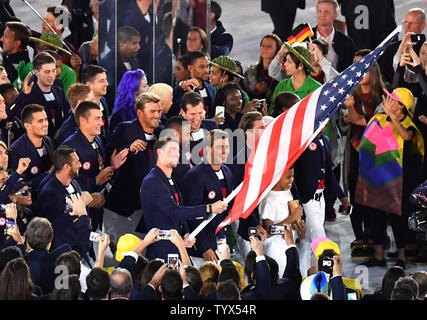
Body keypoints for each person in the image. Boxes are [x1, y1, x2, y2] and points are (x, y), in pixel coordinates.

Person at [357, 88, 424, 270]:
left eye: (392, 99)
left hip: (399, 182)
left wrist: (392, 117)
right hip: (377, 180)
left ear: (401, 106)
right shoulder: (378, 119)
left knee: (398, 220)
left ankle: (401, 256)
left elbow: (406, 136)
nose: (387, 100)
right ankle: (378, 256)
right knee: (376, 217)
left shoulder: (409, 124)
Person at [139, 136, 228, 261]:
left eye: (178, 150)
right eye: (172, 149)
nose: (177, 153)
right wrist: (209, 208)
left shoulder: (170, 180)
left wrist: (186, 233)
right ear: (160, 152)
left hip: (176, 249)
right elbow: (173, 212)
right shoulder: (152, 181)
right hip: (161, 252)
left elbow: (181, 209)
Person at [341, 49, 386, 257]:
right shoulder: (349, 93)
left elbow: (371, 124)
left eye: (363, 67)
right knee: (356, 195)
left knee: (375, 198)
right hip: (354, 151)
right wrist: (348, 115)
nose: (359, 72)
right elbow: (345, 123)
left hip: (377, 154)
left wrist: (353, 114)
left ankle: (376, 235)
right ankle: (360, 237)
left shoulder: (383, 95)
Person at [293, 123, 350, 276]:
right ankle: (328, 276)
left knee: (306, 242)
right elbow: (295, 173)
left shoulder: (324, 139)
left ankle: (305, 276)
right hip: (308, 199)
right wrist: (299, 201)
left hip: (321, 199)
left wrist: (342, 196)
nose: (324, 123)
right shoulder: (302, 142)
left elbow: (329, 172)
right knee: (320, 239)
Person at [62, 101, 128, 231]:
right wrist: (95, 181)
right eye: (97, 119)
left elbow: (99, 168)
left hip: (99, 208)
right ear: (83, 121)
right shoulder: (69, 148)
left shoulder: (97, 139)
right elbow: (65, 183)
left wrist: (112, 165)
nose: (102, 123)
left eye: (101, 118)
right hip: (80, 215)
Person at [104, 93, 161, 238]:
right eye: (152, 111)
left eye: (159, 111)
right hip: (125, 205)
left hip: (150, 205)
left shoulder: (162, 132)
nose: (157, 115)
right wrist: (129, 149)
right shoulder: (124, 129)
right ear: (140, 113)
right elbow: (110, 157)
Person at [182, 130, 234, 267]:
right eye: (219, 147)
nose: (224, 151)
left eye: (226, 147)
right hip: (204, 248)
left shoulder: (227, 171)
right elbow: (191, 214)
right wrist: (204, 247)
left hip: (222, 243)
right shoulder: (195, 175)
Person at [36, 146, 92, 257]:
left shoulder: (72, 181)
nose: (80, 165)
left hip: (77, 242)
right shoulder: (49, 192)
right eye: (77, 162)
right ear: (66, 166)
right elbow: (59, 220)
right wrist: (81, 204)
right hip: (62, 251)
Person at [228, 111, 268, 259]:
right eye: (260, 128)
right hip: (247, 224)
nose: (265, 131)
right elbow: (240, 200)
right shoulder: (239, 163)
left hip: (265, 218)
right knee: (253, 263)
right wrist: (255, 224)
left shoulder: (266, 156)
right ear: (248, 133)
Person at [8, 52, 72, 138]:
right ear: (36, 72)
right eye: (47, 72)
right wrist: (22, 95)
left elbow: (67, 112)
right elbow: (9, 114)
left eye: (53, 71)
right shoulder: (28, 94)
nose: (51, 75)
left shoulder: (58, 89)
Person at [258, 167, 304, 277]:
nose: (292, 180)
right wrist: (292, 218)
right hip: (275, 251)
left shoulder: (287, 192)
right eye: (288, 177)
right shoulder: (269, 199)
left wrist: (297, 226)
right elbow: (268, 231)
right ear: (276, 178)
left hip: (288, 246)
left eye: (293, 176)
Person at [393, 42, 427, 179]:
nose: (425, 57)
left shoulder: (420, 78)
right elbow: (396, 92)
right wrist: (400, 68)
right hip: (415, 139)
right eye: (423, 53)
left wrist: (418, 69)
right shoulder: (417, 80)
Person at [9, 104, 54, 202]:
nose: (45, 124)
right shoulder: (17, 150)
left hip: (50, 195)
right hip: (32, 201)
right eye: (40, 121)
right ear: (27, 126)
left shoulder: (48, 141)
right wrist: (49, 173)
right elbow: (21, 184)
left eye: (46, 119)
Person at [270, 44, 321, 113]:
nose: (285, 64)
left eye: (289, 62)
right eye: (286, 60)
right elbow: (271, 113)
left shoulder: (316, 88)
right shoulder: (281, 85)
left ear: (301, 66)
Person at [379, 8, 426, 84]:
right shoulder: (393, 48)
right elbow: (388, 74)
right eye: (406, 22)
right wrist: (402, 47)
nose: (407, 26)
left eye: (412, 23)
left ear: (423, 25)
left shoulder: (425, 48)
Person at [311, 0, 356, 73]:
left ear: (335, 15)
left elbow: (351, 72)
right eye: (319, 11)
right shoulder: (306, 37)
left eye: (327, 12)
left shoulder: (347, 43)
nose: (322, 15)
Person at [170, 51, 215, 118]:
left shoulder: (210, 89)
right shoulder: (183, 89)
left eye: (207, 66)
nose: (206, 70)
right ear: (190, 68)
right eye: (202, 67)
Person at [179, 92, 217, 165]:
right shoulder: (177, 133)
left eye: (200, 113)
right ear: (183, 112)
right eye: (193, 114)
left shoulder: (211, 125)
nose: (197, 118)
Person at [243, 34, 282, 103]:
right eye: (263, 46)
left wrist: (269, 92)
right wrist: (256, 89)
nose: (265, 49)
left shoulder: (284, 72)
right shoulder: (251, 72)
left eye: (270, 46)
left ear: (278, 50)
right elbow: (244, 94)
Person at [109, 69, 149, 135]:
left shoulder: (148, 111)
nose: (148, 88)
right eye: (144, 86)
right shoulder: (118, 117)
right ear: (134, 92)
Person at [80, 65, 110, 142]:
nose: (107, 84)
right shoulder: (81, 108)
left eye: (106, 80)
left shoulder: (103, 101)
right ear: (89, 85)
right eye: (102, 81)